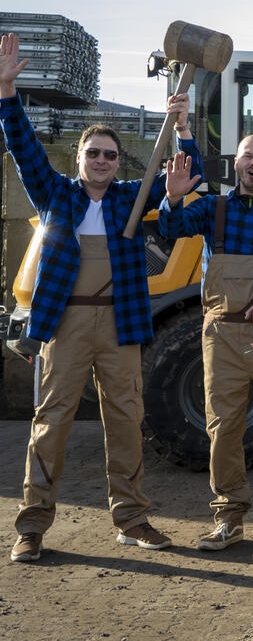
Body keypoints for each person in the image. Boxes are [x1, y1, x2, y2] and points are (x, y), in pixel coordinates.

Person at [2, 31, 201, 563]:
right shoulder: (56, 196)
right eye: (94, 153)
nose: (103, 160)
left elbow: (186, 177)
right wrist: (5, 94)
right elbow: (22, 148)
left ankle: (132, 519)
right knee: (51, 422)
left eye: (111, 154)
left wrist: (181, 128)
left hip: (120, 326)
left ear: (119, 161)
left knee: (125, 421)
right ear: (80, 158)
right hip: (65, 326)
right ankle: (32, 527)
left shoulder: (130, 202)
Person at [156, 135, 253, 556]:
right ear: (236, 164)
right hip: (220, 332)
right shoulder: (212, 208)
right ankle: (228, 517)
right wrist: (171, 198)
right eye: (248, 157)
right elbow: (172, 229)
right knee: (222, 427)